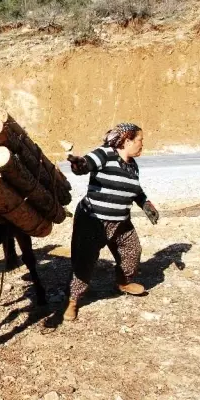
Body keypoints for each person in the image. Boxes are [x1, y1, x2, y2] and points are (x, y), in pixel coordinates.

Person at [63, 123, 159, 321]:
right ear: (127, 140)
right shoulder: (105, 154)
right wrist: (77, 163)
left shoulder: (132, 165)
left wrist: (146, 204)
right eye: (140, 140)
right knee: (85, 261)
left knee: (133, 251)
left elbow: (135, 189)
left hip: (121, 221)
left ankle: (123, 282)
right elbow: (85, 165)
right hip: (94, 220)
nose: (142, 144)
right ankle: (72, 300)